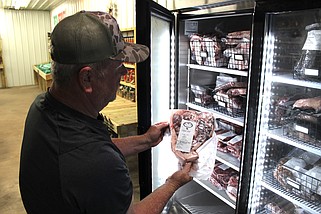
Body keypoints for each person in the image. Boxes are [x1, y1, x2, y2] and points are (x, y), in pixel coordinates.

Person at [19, 11, 193, 214]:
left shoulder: (43, 106)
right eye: (119, 66)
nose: (125, 72)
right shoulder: (98, 167)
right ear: (87, 78)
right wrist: (172, 183)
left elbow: (95, 146)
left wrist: (146, 140)